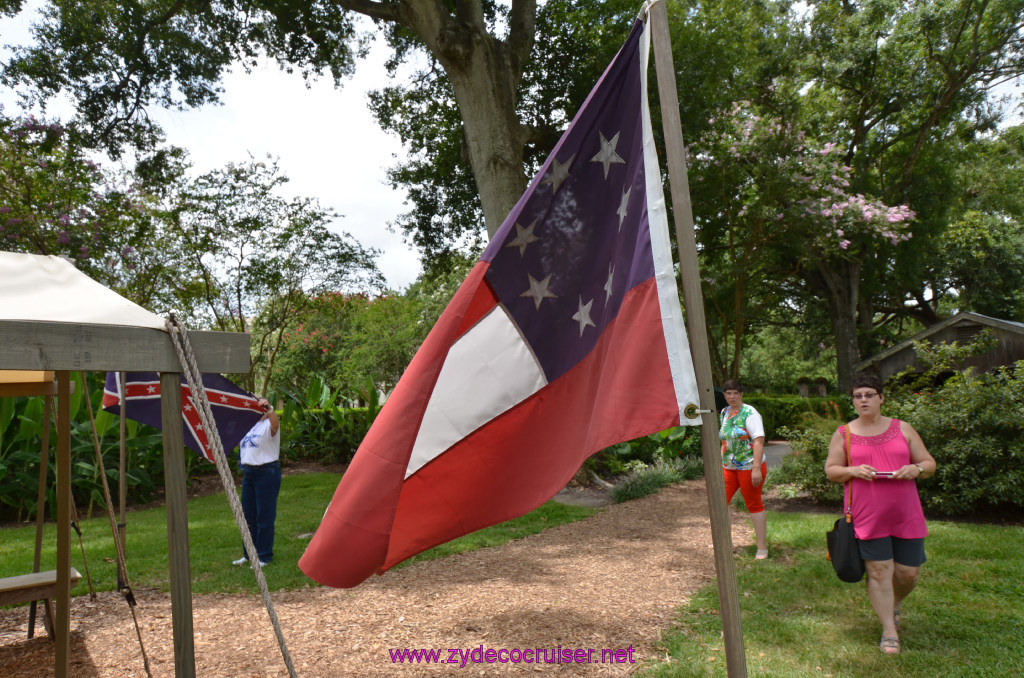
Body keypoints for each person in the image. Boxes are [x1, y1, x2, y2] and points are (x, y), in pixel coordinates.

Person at [825, 374, 935, 655]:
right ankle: (889, 630)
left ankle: (895, 603)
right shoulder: (844, 433)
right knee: (878, 570)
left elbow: (929, 462)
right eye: (858, 396)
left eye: (869, 394)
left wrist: (917, 469)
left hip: (905, 513)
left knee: (908, 573)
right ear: (853, 401)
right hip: (867, 515)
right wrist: (853, 470)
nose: (863, 399)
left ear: (881, 398)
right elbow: (831, 471)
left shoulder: (903, 429)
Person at [719, 379, 769, 559]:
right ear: (724, 395)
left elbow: (758, 440)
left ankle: (762, 548)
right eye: (728, 393)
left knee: (753, 504)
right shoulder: (724, 412)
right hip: (729, 467)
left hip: (749, 466)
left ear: (741, 394)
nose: (732, 397)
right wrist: (720, 462)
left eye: (735, 393)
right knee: (718, 503)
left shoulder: (750, 413)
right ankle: (725, 543)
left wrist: (756, 468)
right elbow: (725, 441)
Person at [233, 397, 281, 567]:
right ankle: (248, 555)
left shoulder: (269, 424)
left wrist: (269, 410)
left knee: (264, 517)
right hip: (249, 473)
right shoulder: (249, 426)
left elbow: (275, 424)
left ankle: (264, 556)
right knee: (248, 517)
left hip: (267, 473)